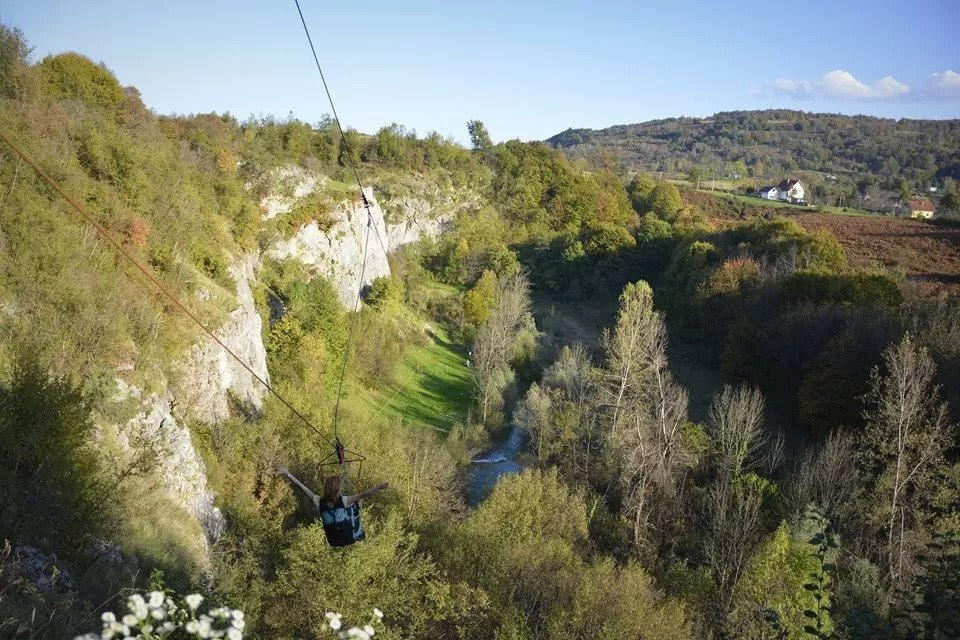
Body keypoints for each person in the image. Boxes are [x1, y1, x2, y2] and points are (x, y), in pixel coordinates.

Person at [275, 466, 389, 547]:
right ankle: (358, 533)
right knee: (354, 505)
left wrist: (287, 473)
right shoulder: (344, 501)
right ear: (337, 489)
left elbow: (301, 487)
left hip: (333, 541)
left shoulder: (319, 501)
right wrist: (380, 487)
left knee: (347, 507)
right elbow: (363, 494)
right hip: (349, 538)